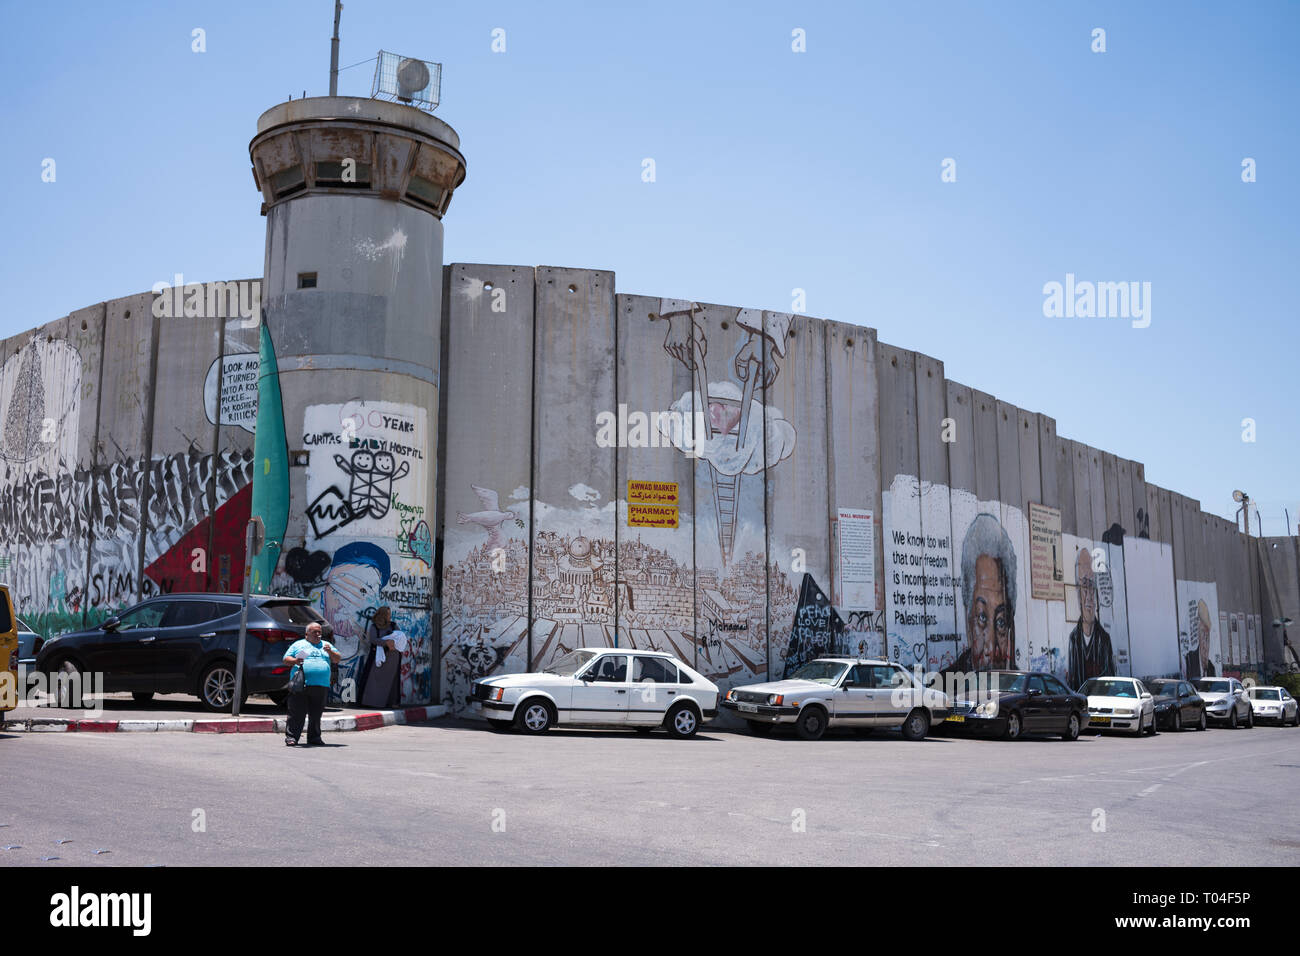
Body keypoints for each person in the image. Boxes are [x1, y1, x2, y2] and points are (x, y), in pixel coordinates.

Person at [944, 513, 1018, 674]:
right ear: (968, 619)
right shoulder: (946, 685)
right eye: (982, 618)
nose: (991, 648)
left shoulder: (1021, 684)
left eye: (1001, 622)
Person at [283, 622, 340, 746]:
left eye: (319, 632)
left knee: (316, 714)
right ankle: (292, 737)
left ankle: (314, 737)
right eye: (315, 632)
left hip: (321, 684)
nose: (318, 634)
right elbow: (286, 659)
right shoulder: (299, 645)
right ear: (306, 634)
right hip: (301, 684)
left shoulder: (326, 645)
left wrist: (330, 652)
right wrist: (295, 660)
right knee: (297, 712)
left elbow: (337, 659)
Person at [1067, 547, 1114, 688]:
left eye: (1092, 586)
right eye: (1084, 585)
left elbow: (1110, 681)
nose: (1089, 596)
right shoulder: (1074, 639)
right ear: (1077, 590)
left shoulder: (1104, 640)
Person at [359, 605, 408, 709]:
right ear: (382, 614)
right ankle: (371, 702)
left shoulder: (393, 625)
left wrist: (393, 642)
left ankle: (392, 702)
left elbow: (400, 637)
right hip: (378, 657)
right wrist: (385, 643)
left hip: (392, 658)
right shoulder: (374, 626)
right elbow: (373, 640)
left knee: (392, 681)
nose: (389, 616)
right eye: (388, 614)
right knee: (373, 680)